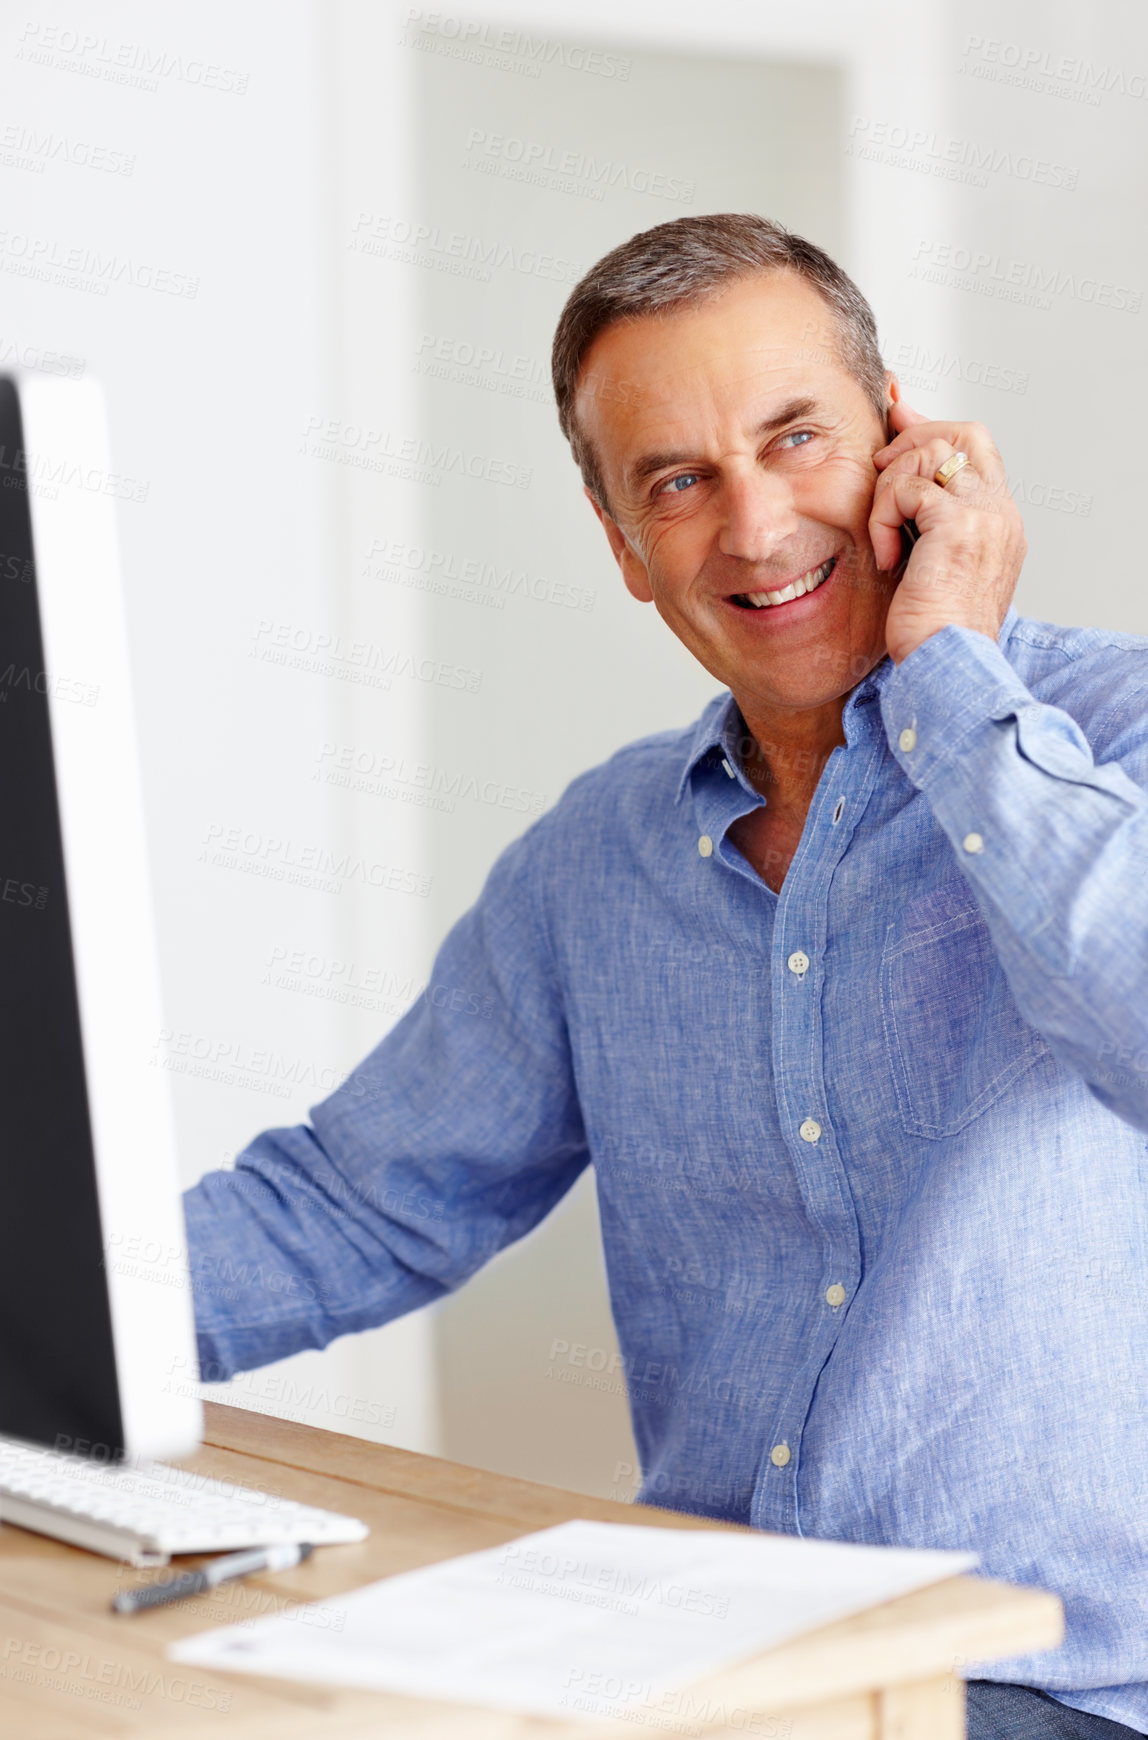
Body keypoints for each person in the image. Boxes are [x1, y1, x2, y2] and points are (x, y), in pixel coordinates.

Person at [183, 215, 1148, 1738]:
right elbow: (355, 1202)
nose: (755, 528)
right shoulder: (598, 859)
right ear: (627, 549)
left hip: (1060, 1690)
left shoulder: (1114, 739)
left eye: (797, 439)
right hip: (722, 1664)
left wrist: (956, 669)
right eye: (679, 482)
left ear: (908, 444)